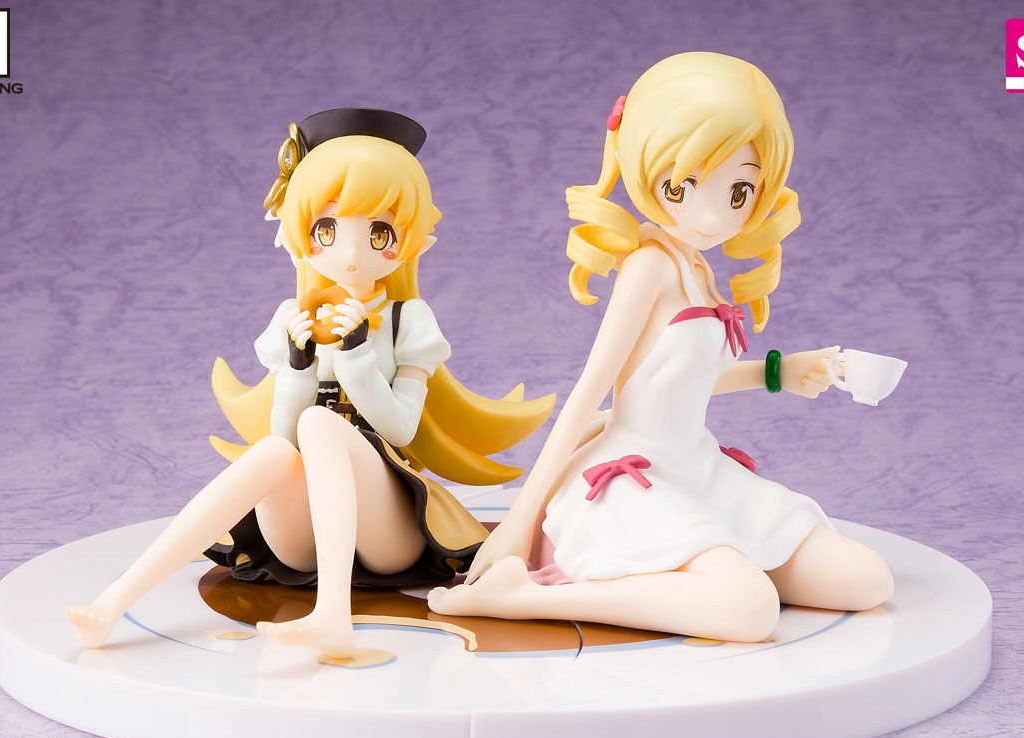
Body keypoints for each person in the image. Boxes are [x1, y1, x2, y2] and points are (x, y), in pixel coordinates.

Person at [428, 54, 893, 642]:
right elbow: (592, 388)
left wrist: (779, 371)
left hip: (696, 467)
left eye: (739, 191)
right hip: (634, 479)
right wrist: (521, 521)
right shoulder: (649, 266)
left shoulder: (699, 269)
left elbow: (684, 378)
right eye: (684, 185)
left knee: (866, 581)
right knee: (749, 610)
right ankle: (525, 598)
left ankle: (708, 575)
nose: (711, 217)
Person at [66, 108, 553, 658]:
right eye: (327, 230)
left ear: (410, 240)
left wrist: (356, 355)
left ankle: (332, 615)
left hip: (386, 528)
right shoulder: (292, 317)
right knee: (275, 450)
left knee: (321, 424)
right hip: (304, 539)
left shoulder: (406, 321)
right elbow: (283, 435)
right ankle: (113, 602)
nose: (352, 254)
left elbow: (399, 428)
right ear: (300, 234)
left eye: (379, 233)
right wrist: (299, 365)